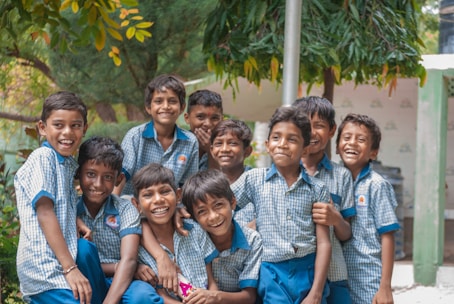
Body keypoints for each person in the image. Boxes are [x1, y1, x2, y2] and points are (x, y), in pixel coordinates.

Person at [231, 106, 331, 304]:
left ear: (305, 148)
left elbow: (324, 242)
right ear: (268, 144)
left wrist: (316, 293)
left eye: (292, 139)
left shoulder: (317, 188)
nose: (283, 145)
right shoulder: (253, 179)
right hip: (271, 272)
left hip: (309, 271)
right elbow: (221, 202)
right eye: (276, 138)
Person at [14, 91, 92, 303]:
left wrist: (75, 220)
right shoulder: (43, 157)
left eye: (75, 125)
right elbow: (44, 211)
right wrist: (70, 269)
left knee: (87, 251)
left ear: (84, 128)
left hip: (60, 264)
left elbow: (55, 205)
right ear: (42, 128)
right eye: (58, 125)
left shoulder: (65, 163)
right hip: (45, 270)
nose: (67, 132)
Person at [75, 136, 163, 303]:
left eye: (108, 177)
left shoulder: (125, 208)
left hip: (125, 279)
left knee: (143, 297)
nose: (98, 184)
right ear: (79, 173)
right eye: (91, 174)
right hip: (86, 280)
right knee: (83, 248)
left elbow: (129, 259)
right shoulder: (70, 207)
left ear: (119, 179)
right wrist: (116, 267)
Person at [293, 96, 356, 304]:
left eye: (319, 125)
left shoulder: (341, 176)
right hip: (292, 274)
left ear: (331, 130)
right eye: (304, 125)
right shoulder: (281, 173)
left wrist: (336, 219)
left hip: (333, 273)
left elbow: (347, 234)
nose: (311, 132)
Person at [132, 163, 219, 303]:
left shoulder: (194, 231)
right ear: (136, 205)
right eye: (148, 195)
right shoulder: (137, 246)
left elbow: (211, 281)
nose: (158, 199)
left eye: (165, 191)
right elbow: (159, 295)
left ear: (178, 195)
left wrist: (212, 296)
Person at [336, 113, 399, 304]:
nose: (352, 143)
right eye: (346, 138)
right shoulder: (332, 180)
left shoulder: (377, 185)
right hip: (338, 275)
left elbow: (387, 234)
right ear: (338, 146)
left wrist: (385, 287)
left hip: (368, 277)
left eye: (361, 139)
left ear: (373, 152)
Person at [181, 169, 262, 304]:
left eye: (218, 205)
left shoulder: (252, 240)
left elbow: (249, 297)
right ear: (194, 217)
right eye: (202, 212)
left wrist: (215, 296)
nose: (213, 216)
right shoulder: (191, 237)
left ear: (232, 202)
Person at [114, 74, 198, 196]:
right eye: (158, 101)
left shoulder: (190, 141)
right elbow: (120, 178)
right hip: (133, 206)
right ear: (148, 108)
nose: (166, 106)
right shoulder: (135, 136)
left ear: (182, 108)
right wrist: (111, 209)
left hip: (169, 208)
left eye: (172, 101)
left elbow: (188, 186)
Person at [209, 119, 255, 225]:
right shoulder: (208, 184)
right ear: (212, 151)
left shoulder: (257, 182)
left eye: (233, 143)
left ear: (247, 151)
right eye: (219, 143)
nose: (225, 149)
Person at [184, 89, 223, 171]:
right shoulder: (177, 145)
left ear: (221, 120)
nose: (207, 124)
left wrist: (210, 151)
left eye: (214, 118)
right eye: (200, 117)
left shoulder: (226, 147)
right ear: (187, 118)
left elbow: (218, 181)